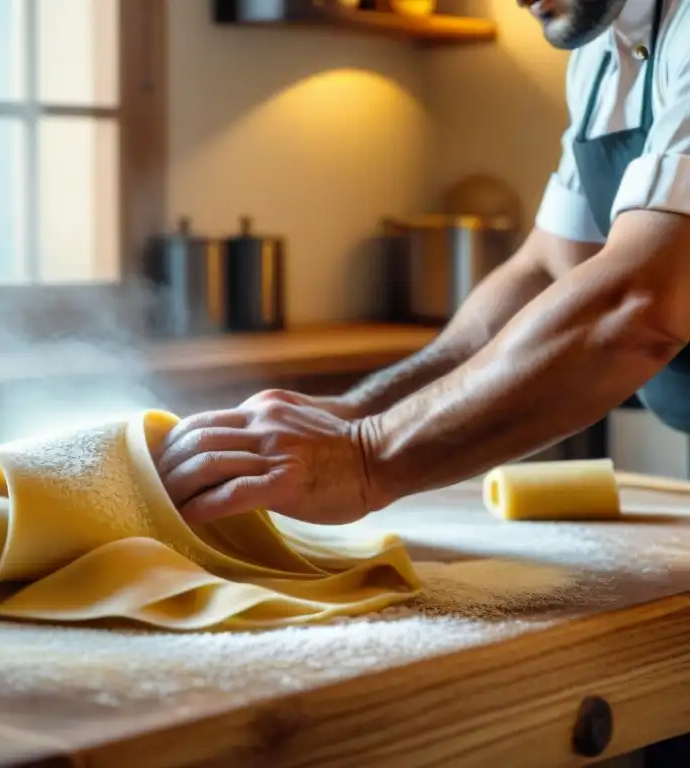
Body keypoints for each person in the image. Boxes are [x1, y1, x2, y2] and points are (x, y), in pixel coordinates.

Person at [155, 0, 690, 526]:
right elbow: (550, 268)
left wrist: (368, 455)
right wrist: (357, 411)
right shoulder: (599, 55)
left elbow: (639, 304)